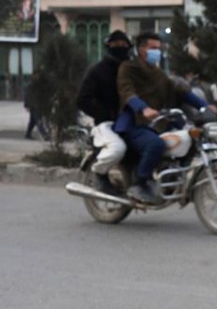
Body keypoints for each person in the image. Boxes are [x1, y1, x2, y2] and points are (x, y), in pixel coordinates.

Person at [115, 32, 209, 204]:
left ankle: (175, 180)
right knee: (156, 144)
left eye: (159, 49)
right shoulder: (127, 68)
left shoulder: (157, 73)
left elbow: (176, 90)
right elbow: (127, 92)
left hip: (157, 123)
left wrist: (203, 105)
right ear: (141, 49)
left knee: (189, 139)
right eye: (153, 48)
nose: (157, 52)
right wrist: (143, 108)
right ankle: (140, 184)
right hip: (134, 124)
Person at [75, 30, 131, 194]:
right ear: (109, 47)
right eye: (116, 45)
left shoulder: (132, 70)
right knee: (117, 148)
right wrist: (106, 114)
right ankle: (99, 173)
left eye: (123, 45)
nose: (120, 48)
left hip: (131, 121)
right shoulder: (98, 71)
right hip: (106, 123)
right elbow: (82, 99)